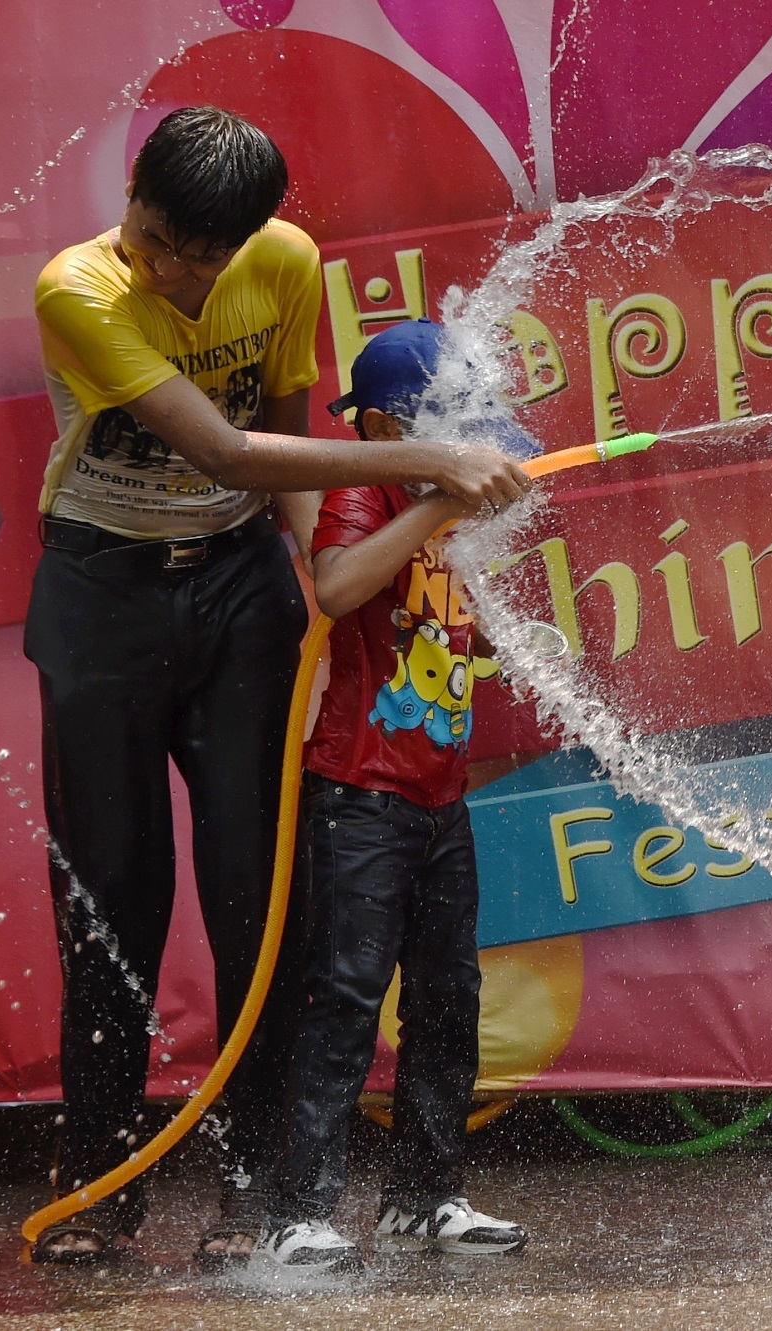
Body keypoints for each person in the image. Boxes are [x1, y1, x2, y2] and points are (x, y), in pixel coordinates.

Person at [25, 106, 532, 1267]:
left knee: (264, 905)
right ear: (133, 199)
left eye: (201, 257)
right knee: (114, 903)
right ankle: (100, 1185)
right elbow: (224, 450)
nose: (176, 271)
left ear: (250, 238)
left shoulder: (284, 263)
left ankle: (264, 1199)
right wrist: (428, 462)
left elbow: (282, 428)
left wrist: (331, 573)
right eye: (157, 239)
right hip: (102, 599)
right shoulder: (81, 290)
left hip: (241, 597)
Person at [258, 320, 529, 1272]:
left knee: (451, 998)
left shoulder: (439, 507)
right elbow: (333, 589)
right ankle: (297, 1212)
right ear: (382, 429)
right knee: (343, 998)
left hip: (437, 797)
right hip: (359, 794)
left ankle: (426, 1197)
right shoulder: (363, 491)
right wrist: (434, 501)